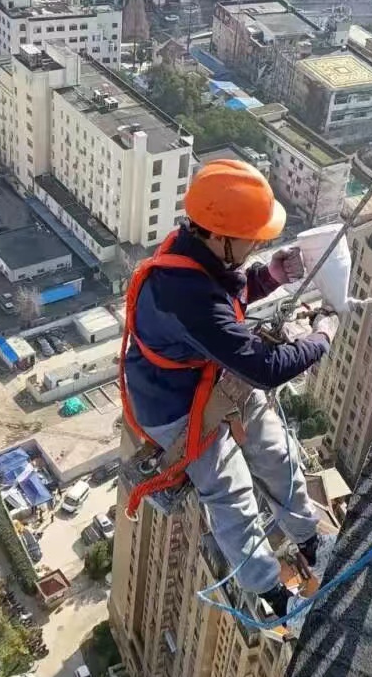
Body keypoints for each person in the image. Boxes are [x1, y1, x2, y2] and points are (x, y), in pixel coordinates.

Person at [120, 160, 339, 618]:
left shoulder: (195, 252)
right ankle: (274, 595)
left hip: (209, 375)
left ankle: (309, 537)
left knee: (274, 450)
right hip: (173, 405)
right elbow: (263, 367)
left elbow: (222, 302)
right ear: (220, 236)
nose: (259, 242)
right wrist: (322, 337)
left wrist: (267, 278)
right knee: (231, 493)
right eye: (251, 237)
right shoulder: (185, 292)